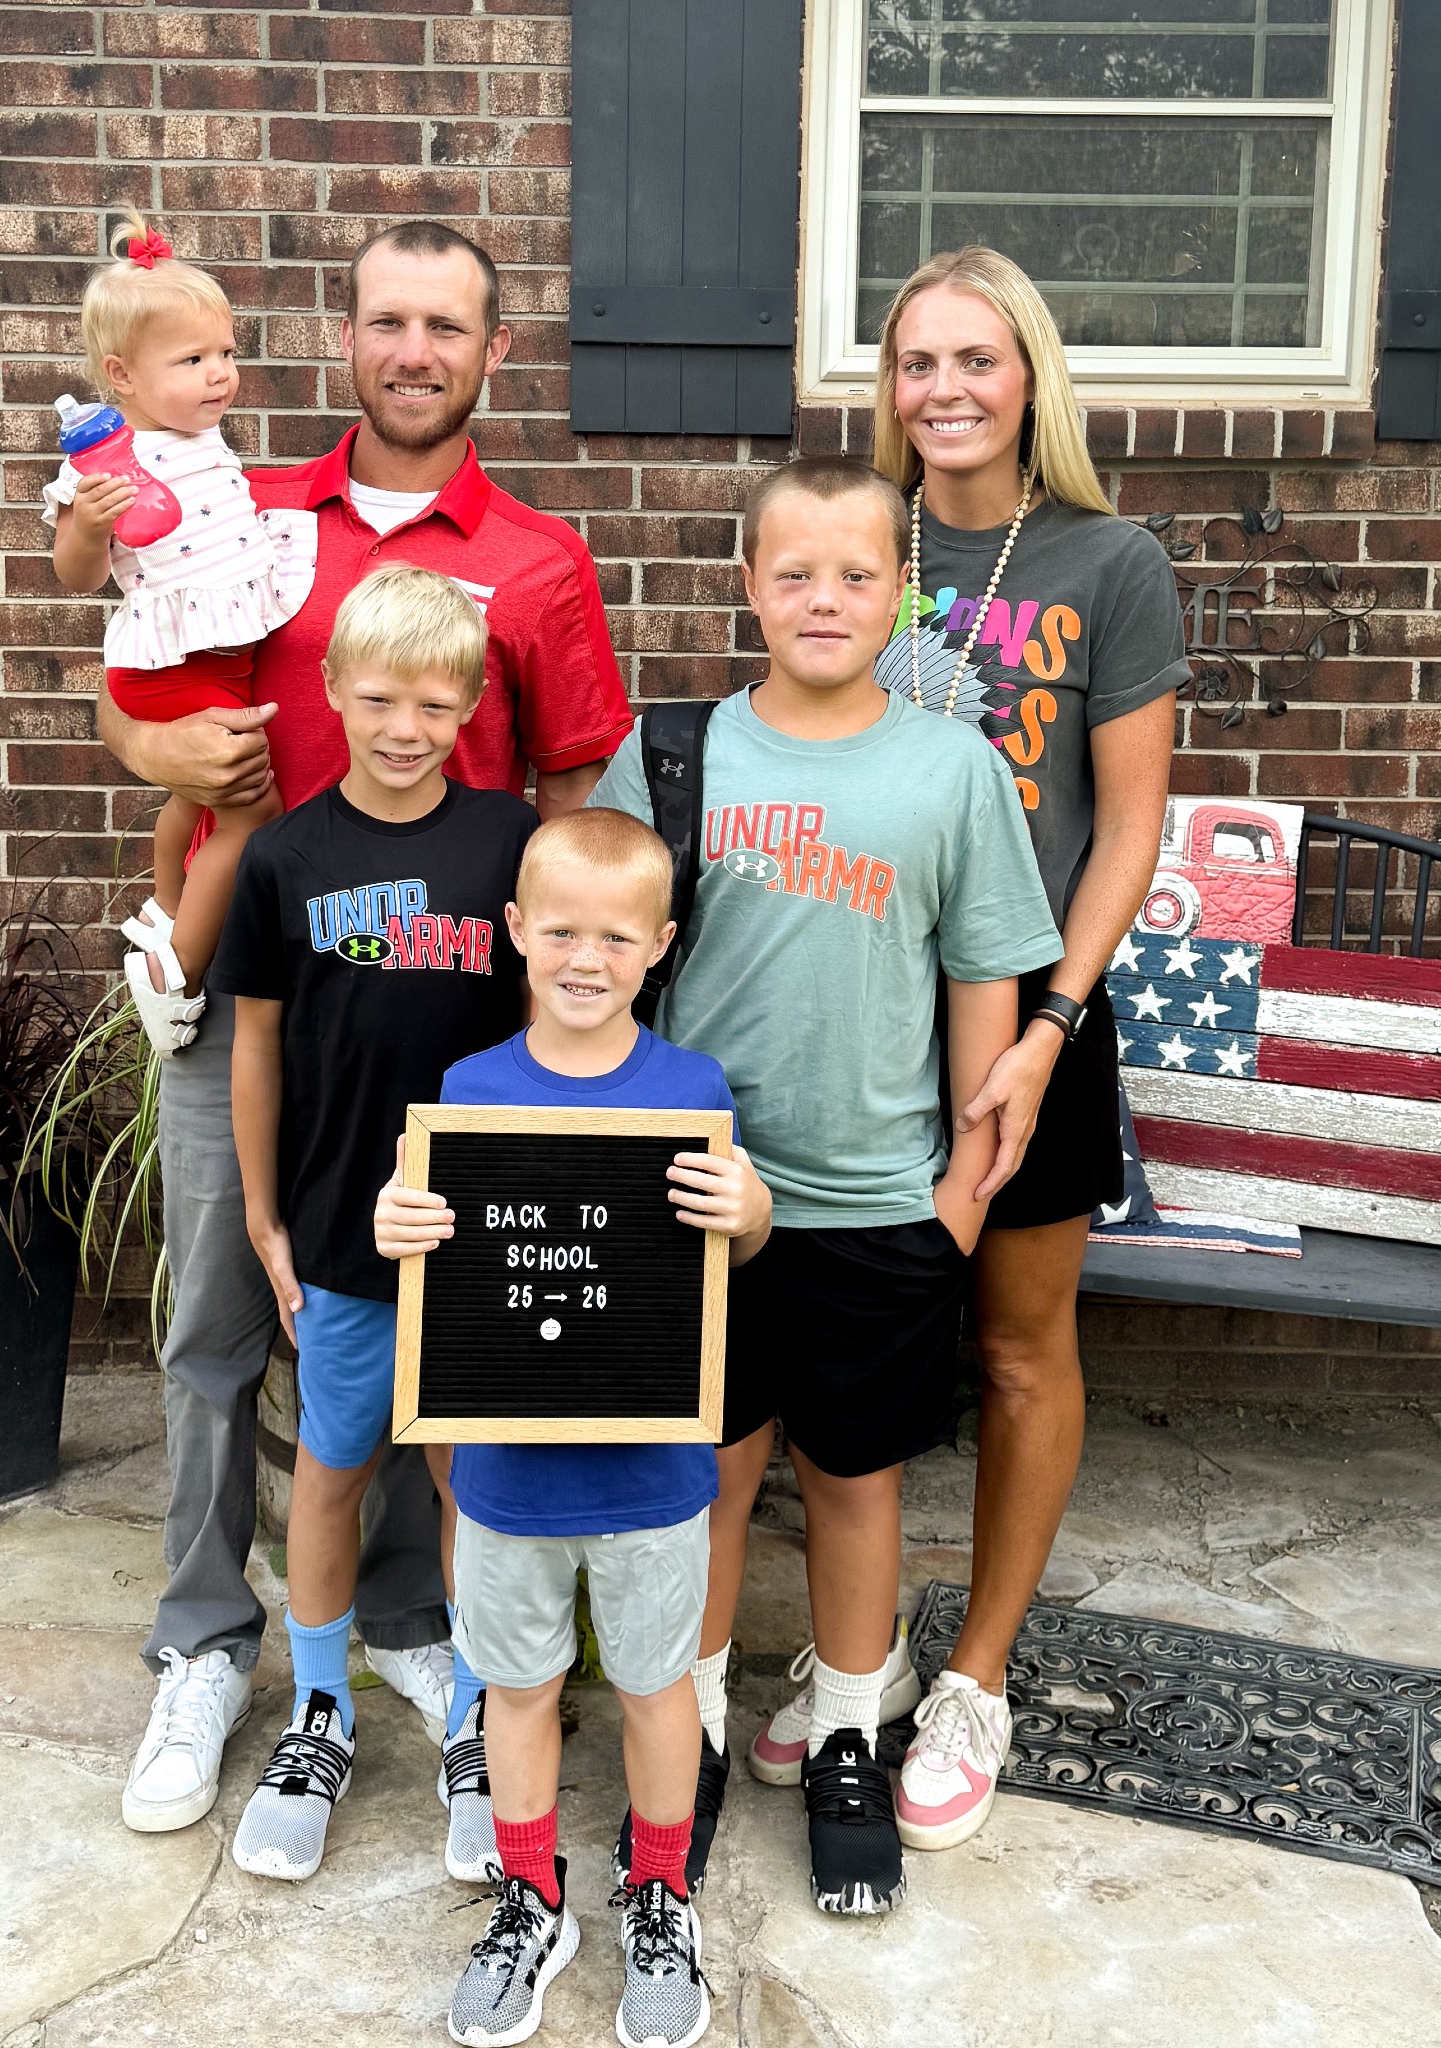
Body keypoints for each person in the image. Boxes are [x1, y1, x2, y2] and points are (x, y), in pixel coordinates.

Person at [100, 221, 632, 1837]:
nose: (414, 351)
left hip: (447, 1019)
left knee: (427, 1345)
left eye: (446, 326)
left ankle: (410, 1622)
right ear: (346, 335)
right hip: (265, 992)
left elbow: (572, 801)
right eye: (387, 320)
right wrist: (160, 764)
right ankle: (206, 1638)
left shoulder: (537, 560)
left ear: (492, 350)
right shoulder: (244, 514)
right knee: (220, 1320)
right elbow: (138, 686)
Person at [588, 456, 1062, 1915]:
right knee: (705, 1477)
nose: (822, 599)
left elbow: (981, 984)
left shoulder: (951, 770)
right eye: (791, 572)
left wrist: (957, 1201)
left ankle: (850, 1730)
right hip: (695, 1197)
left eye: (855, 574)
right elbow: (596, 961)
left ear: (898, 596)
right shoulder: (675, 756)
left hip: (874, 1204)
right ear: (747, 585)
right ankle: (692, 1731)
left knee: (855, 1482)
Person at [863, 246, 1185, 1852]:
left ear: (1030, 375)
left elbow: (1126, 827)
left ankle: (975, 1673)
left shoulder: (1109, 561)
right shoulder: (860, 535)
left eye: (975, 358)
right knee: (852, 1334)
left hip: (1035, 1014)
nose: (945, 389)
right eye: (916, 361)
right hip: (865, 1003)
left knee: (1013, 1347)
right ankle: (852, 1651)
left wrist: (1053, 1024)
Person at [375, 808, 772, 2047]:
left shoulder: (691, 1091)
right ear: (514, 931)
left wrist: (750, 1206)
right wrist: (399, 1225)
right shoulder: (469, 1094)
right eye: (558, 931)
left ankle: (658, 1892)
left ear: (658, 943)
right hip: (508, 1476)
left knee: (659, 1688)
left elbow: (727, 1252)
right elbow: (440, 1261)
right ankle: (529, 1896)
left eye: (613, 935)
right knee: (517, 1688)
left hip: (653, 1474)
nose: (584, 958)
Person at [207, 562, 536, 1882]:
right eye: (383, 698)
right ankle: (319, 1707)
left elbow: (552, 1028)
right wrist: (262, 1213)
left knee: (468, 1477)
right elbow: (255, 1047)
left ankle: (476, 1718)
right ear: (334, 690)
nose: (408, 728)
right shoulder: (286, 856)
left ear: (471, 706)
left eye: (437, 705)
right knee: (331, 1467)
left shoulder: (508, 841)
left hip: (477, 1235)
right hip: (341, 1228)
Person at [44, 212, 316, 1053]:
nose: (219, 374)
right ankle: (176, 971)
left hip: (219, 658)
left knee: (193, 795)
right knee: (251, 809)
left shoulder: (202, 438)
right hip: (170, 663)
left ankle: (166, 906)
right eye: (192, 360)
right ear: (121, 376)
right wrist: (90, 525)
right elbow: (76, 575)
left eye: (225, 353)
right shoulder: (107, 465)